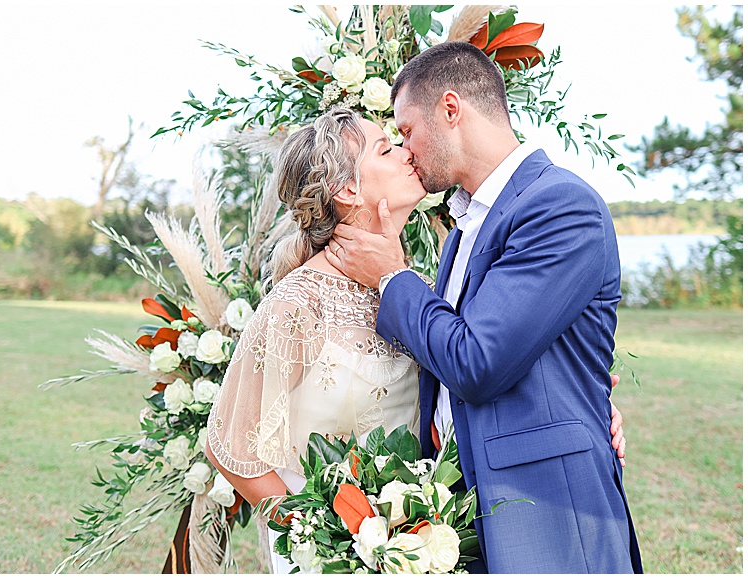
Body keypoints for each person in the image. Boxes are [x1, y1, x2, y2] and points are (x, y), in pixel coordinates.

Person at [205, 105, 629, 573]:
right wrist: (324, 539)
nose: (407, 152)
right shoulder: (297, 303)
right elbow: (229, 447)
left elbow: (470, 358)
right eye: (387, 148)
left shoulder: (414, 288)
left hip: (414, 546)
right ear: (346, 189)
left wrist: (582, 401)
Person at [325, 42, 643, 573]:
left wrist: (391, 276)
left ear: (451, 110)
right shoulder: (465, 227)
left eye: (406, 131)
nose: (406, 151)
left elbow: (478, 362)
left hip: (548, 511)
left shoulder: (560, 205)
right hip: (466, 507)